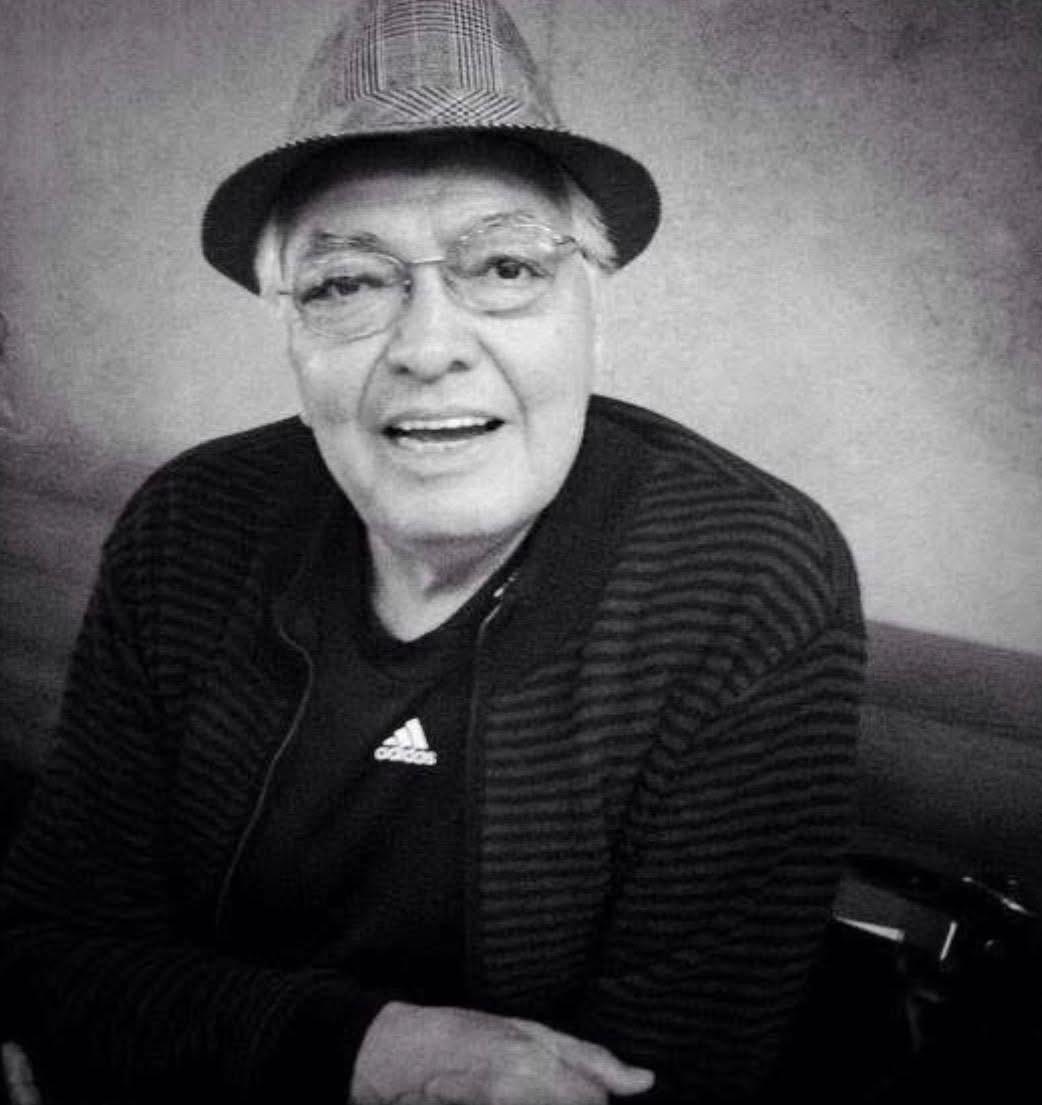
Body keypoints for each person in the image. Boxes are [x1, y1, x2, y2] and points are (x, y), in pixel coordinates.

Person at [0, 1, 865, 1102]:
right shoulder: (188, 525)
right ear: (290, 333)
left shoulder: (745, 578)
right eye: (346, 283)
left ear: (592, 315)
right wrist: (371, 1051)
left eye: (502, 266)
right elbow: (52, 956)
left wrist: (178, 1036)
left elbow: (653, 1083)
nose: (426, 346)